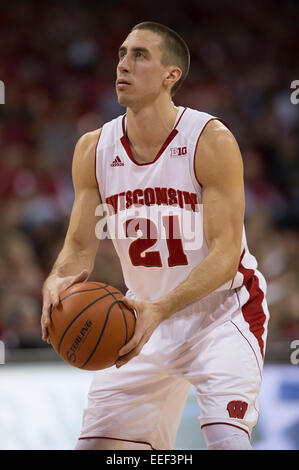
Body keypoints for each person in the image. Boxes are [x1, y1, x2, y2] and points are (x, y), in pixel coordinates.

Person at [41, 21, 269, 451]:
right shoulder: (94, 148)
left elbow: (223, 257)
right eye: (122, 54)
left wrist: (160, 309)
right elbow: (77, 247)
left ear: (171, 76)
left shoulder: (210, 140)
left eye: (139, 55)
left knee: (227, 442)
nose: (123, 65)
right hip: (139, 320)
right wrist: (58, 279)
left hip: (223, 315)